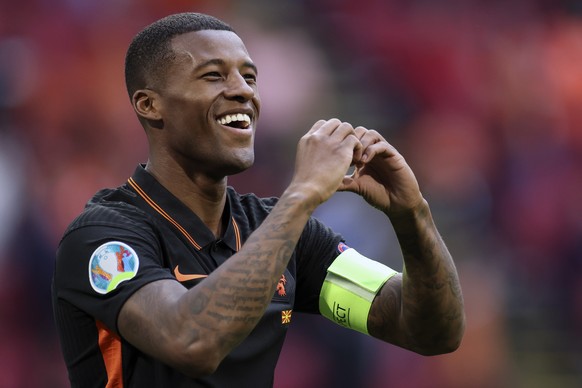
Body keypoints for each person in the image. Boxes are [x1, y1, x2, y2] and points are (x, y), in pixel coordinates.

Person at [52, 12, 465, 387]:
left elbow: (429, 332)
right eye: (213, 76)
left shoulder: (286, 235)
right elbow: (192, 342)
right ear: (149, 104)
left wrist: (413, 215)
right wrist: (302, 194)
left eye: (249, 77)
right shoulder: (103, 238)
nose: (242, 92)